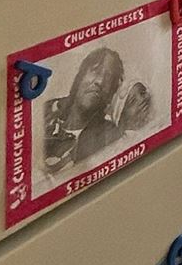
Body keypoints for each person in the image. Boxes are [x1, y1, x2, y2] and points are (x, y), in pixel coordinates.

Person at [44, 44, 125, 176]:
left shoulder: (111, 135)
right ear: (80, 77)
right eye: (95, 71)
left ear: (111, 92)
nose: (100, 81)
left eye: (108, 78)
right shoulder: (48, 111)